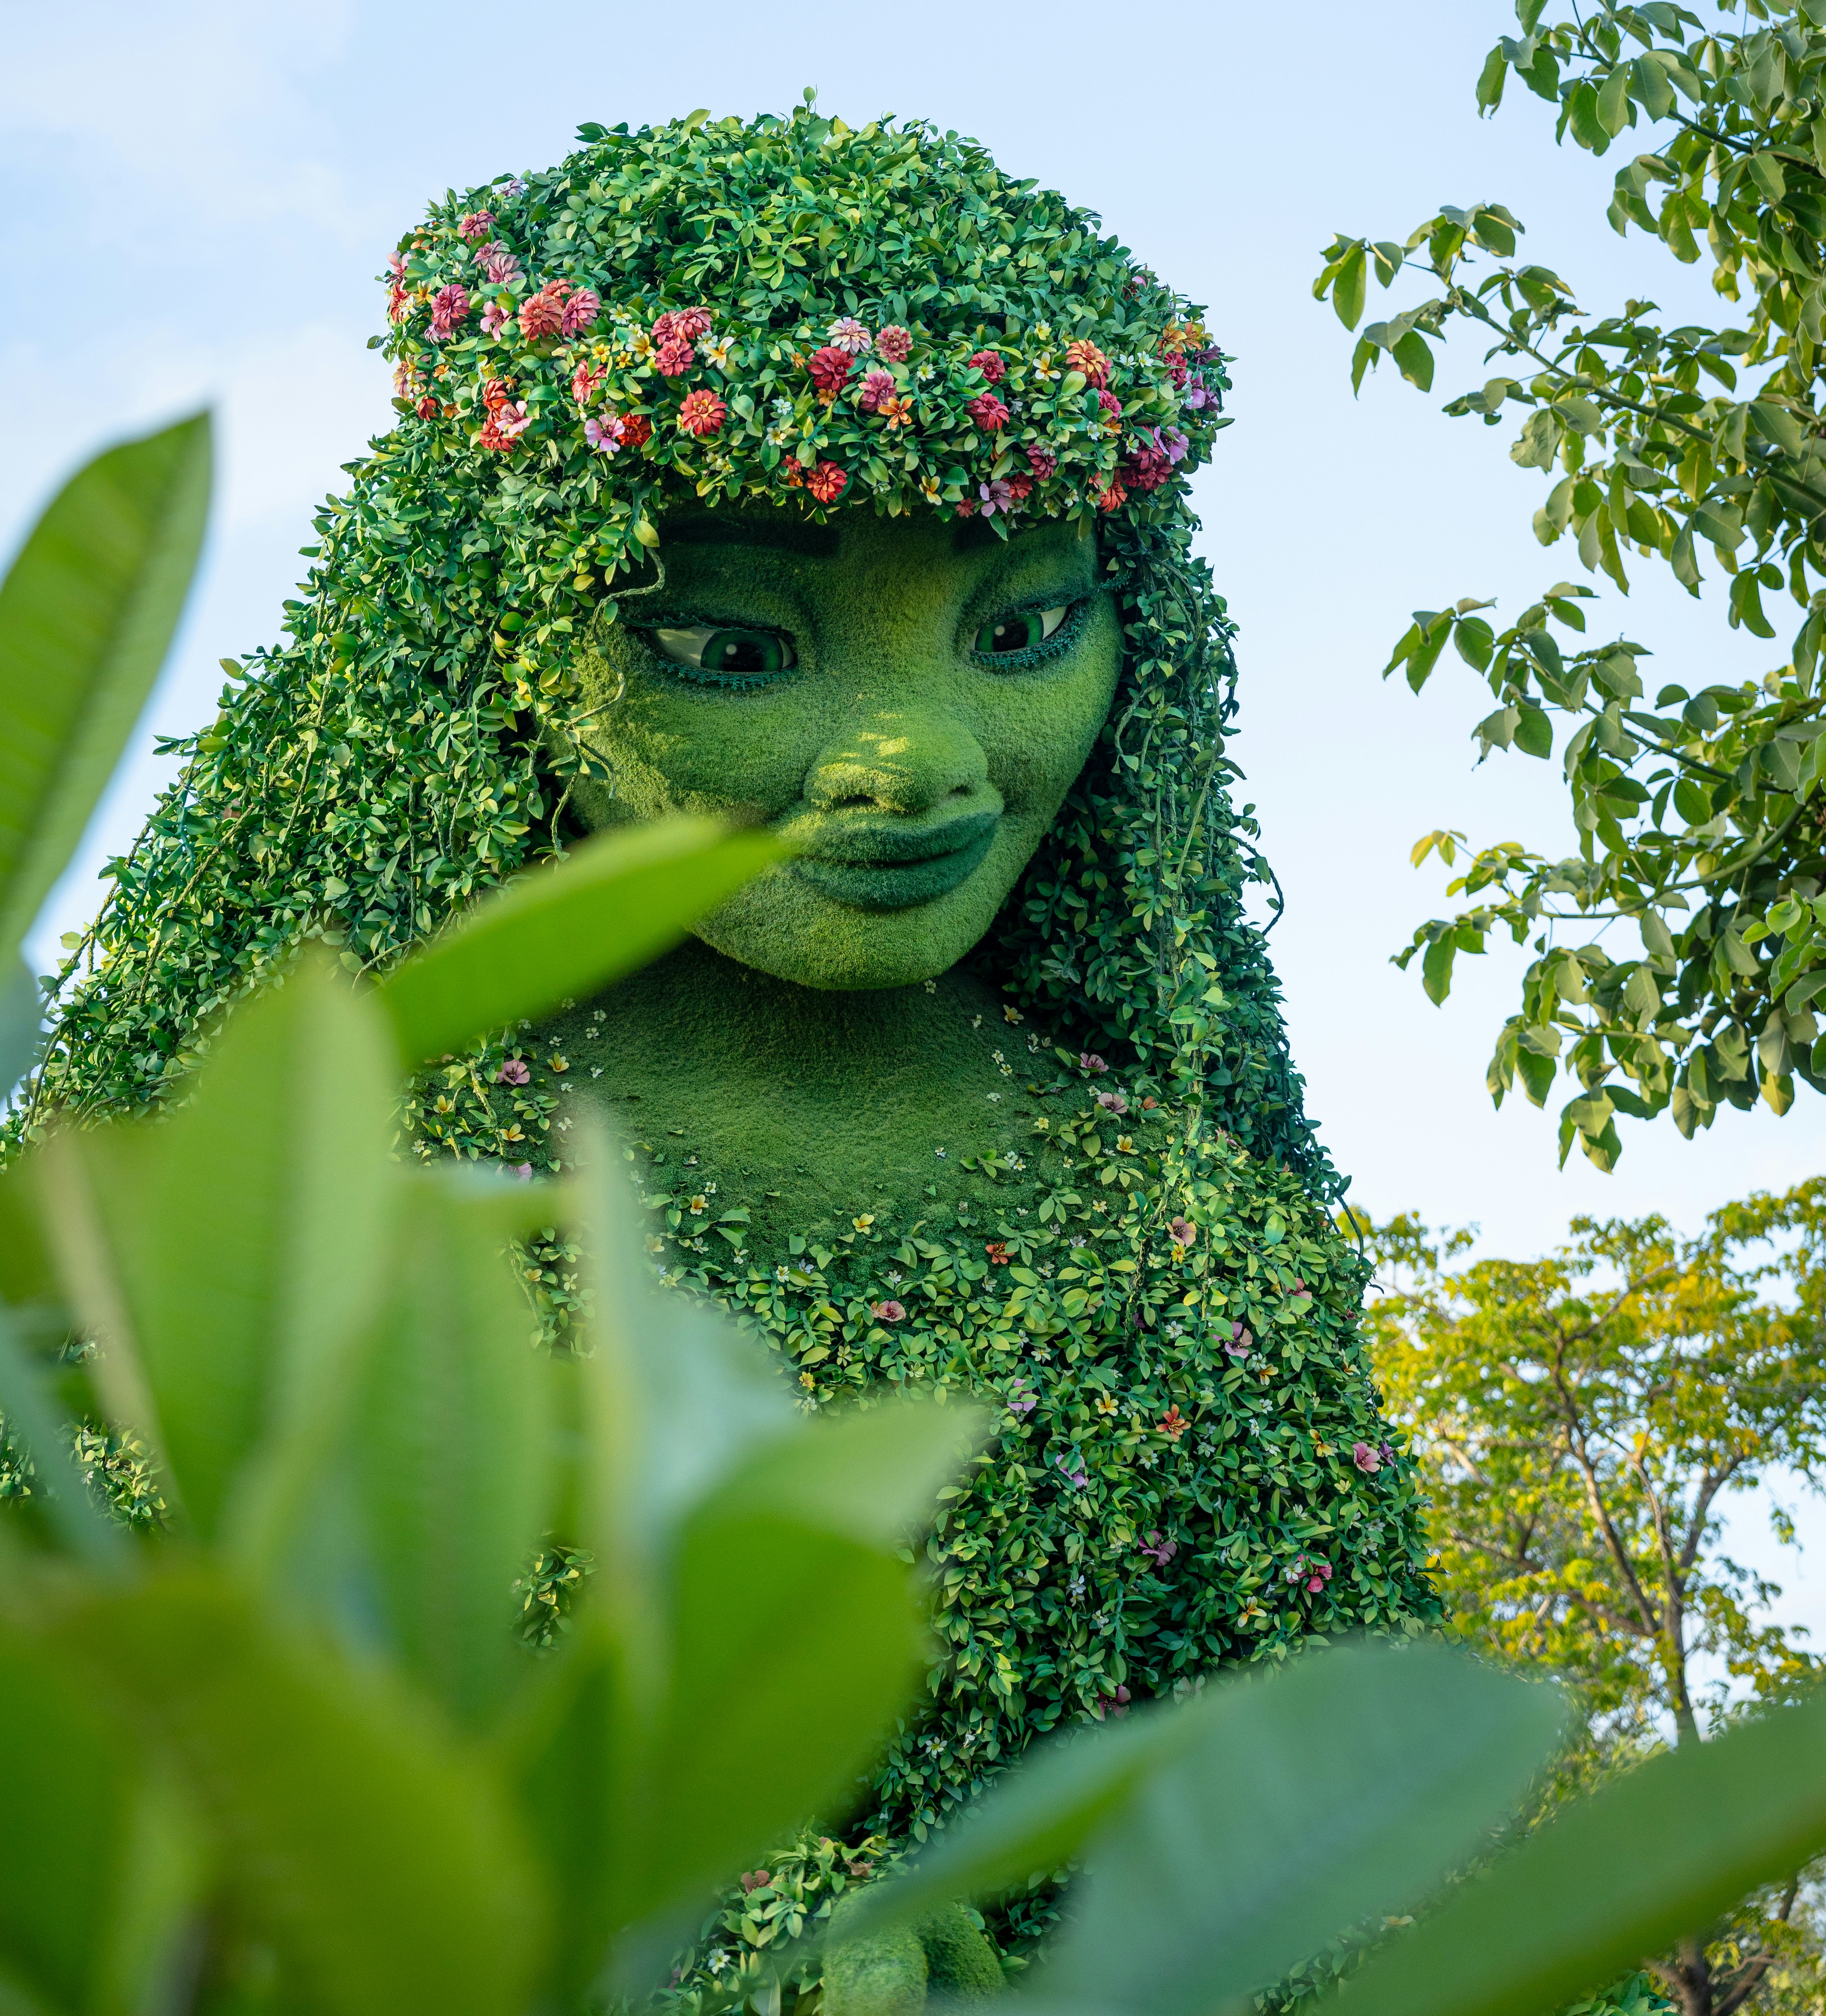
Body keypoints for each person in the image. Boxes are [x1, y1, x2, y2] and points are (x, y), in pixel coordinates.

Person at [36, 101, 1430, 1997]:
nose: (921, 757)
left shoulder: (1200, 1248)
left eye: (1019, 628)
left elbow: (1367, 1855)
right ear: (497, 634)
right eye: (740, 650)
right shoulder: (316, 1202)